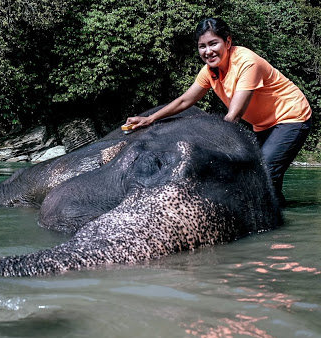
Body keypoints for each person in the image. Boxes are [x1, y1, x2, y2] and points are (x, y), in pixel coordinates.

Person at [126, 17, 312, 207]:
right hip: (262, 124)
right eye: (202, 46)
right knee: (258, 175)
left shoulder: (247, 63)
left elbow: (234, 115)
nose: (208, 51)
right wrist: (150, 118)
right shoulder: (209, 71)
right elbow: (185, 100)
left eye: (213, 44)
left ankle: (275, 225)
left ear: (228, 42)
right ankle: (282, 219)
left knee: (264, 173)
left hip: (291, 116)